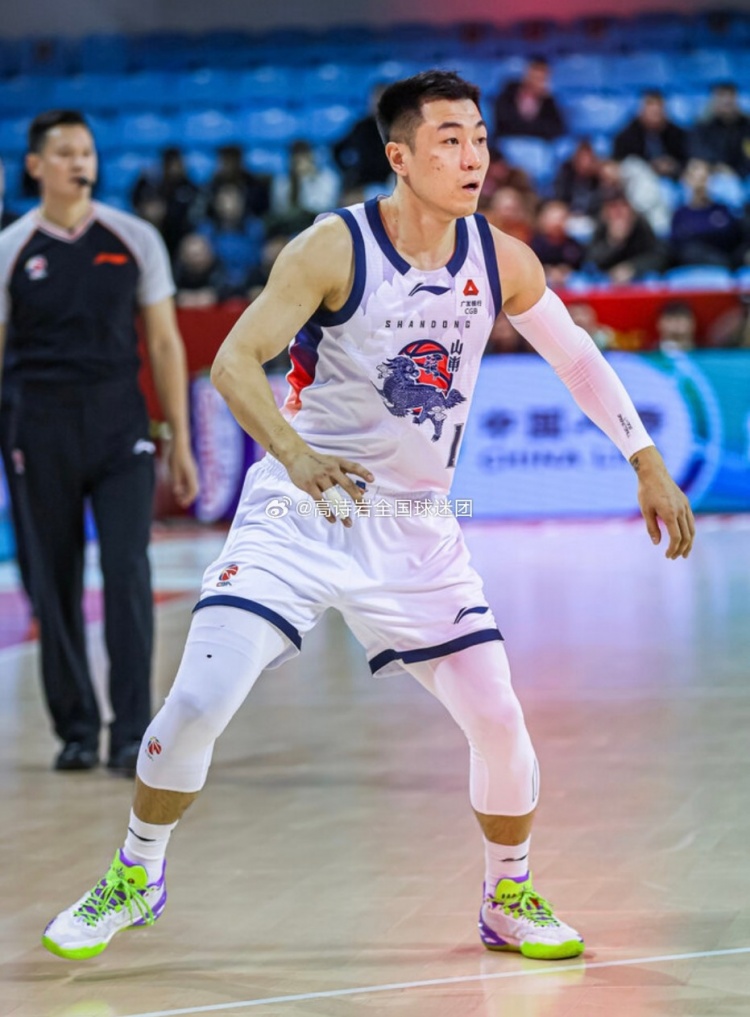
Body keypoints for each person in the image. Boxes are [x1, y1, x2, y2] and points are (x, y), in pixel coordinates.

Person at [42, 72, 694, 963]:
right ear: (401, 157)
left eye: (479, 138)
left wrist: (645, 459)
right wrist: (296, 455)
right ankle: (137, 872)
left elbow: (577, 357)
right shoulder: (333, 247)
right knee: (197, 700)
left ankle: (508, 895)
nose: (473, 157)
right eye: (449, 141)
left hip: (417, 526)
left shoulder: (501, 257)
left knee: (500, 718)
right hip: (302, 508)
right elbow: (233, 361)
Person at [0, 110, 199, 775]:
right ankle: (77, 729)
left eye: (86, 150)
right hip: (37, 429)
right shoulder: (12, 247)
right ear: (36, 166)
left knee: (128, 571)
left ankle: (132, 731)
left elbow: (165, 344)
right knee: (51, 580)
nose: (79, 161)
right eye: (64, 152)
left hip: (120, 428)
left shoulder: (135, 237)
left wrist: (178, 439)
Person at [669, 158, 742, 269]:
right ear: (685, 180)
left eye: (704, 178)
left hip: (725, 262)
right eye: (695, 178)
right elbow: (679, 246)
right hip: (693, 267)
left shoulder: (722, 209)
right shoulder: (680, 214)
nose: (701, 185)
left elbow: (734, 239)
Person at [586, 189, 666, 283]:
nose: (619, 213)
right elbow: (591, 260)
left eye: (623, 206)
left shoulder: (640, 224)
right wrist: (613, 243)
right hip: (607, 278)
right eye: (613, 207)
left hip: (638, 277)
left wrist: (632, 268)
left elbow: (659, 256)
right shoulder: (601, 226)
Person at [613, 91, 688, 181]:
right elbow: (621, 163)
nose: (655, 116)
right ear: (641, 112)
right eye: (652, 112)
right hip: (640, 179)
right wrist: (652, 166)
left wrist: (673, 165)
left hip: (674, 178)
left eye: (658, 112)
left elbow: (685, 158)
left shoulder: (677, 134)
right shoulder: (626, 137)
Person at [492, 56, 566, 142]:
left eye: (542, 79)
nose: (537, 82)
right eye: (535, 77)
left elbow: (556, 129)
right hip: (509, 141)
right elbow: (504, 123)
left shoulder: (549, 101)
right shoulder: (508, 93)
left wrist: (546, 102)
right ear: (526, 75)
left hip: (537, 144)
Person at [689, 82, 750, 179]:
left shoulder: (746, 125)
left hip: (743, 175)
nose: (726, 101)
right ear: (713, 100)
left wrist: (736, 173)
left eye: (730, 96)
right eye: (721, 96)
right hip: (713, 174)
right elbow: (698, 153)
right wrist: (716, 167)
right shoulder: (702, 127)